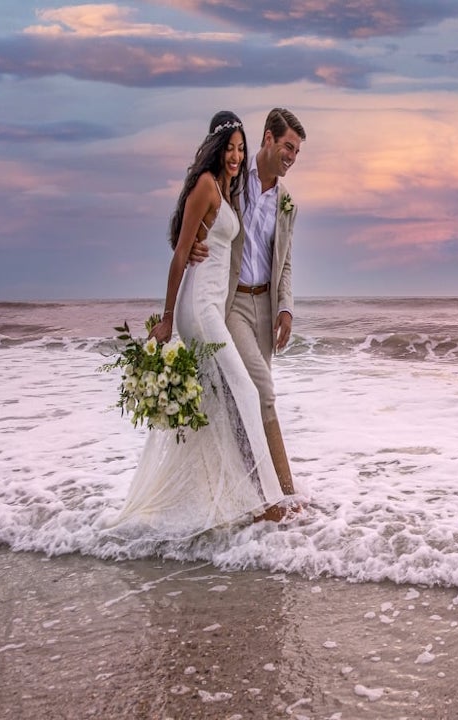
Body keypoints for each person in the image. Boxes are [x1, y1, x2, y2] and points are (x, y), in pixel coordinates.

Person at [105, 111, 286, 538]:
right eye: (230, 148)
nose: (237, 156)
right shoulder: (206, 185)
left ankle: (223, 501)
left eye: (241, 149)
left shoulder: (225, 188)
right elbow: (180, 254)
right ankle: (266, 502)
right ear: (215, 148)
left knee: (220, 406)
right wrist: (167, 318)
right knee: (243, 390)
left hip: (210, 306)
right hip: (197, 307)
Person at [190, 107, 306, 522]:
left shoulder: (288, 204)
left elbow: (285, 262)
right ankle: (275, 497)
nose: (292, 156)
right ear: (269, 139)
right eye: (288, 147)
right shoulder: (234, 179)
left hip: (265, 307)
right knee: (260, 390)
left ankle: (276, 495)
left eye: (297, 151)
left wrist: (286, 308)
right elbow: (199, 209)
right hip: (232, 300)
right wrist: (192, 245)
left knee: (255, 398)